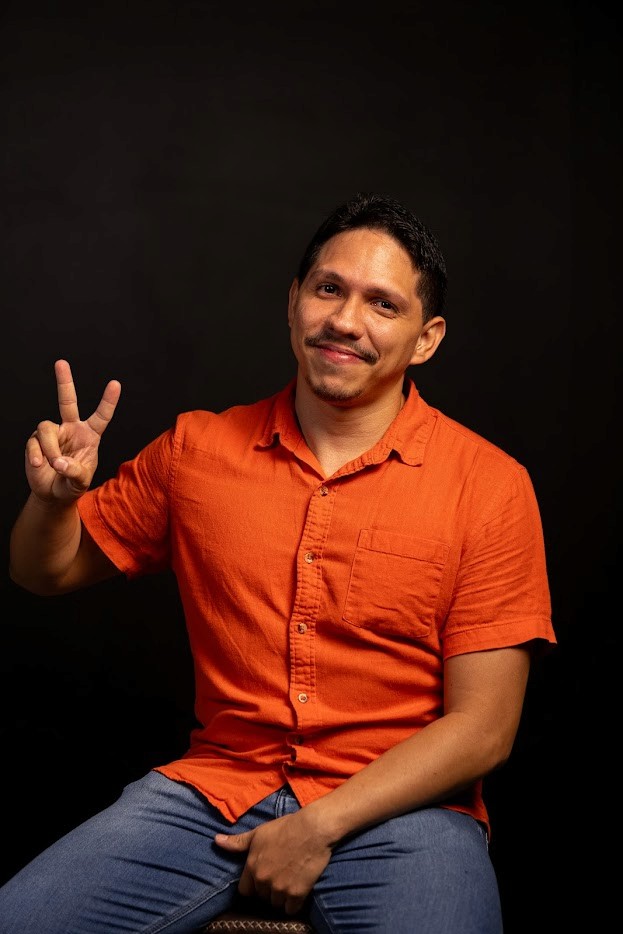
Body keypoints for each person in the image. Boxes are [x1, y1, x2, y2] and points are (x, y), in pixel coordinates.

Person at [1, 192, 555, 934]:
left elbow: (484, 728)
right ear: (293, 302)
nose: (345, 321)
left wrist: (316, 826)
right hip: (210, 796)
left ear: (425, 339)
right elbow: (43, 572)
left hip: (406, 812)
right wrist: (54, 502)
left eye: (382, 304)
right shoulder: (196, 451)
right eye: (328, 289)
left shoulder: (488, 485)